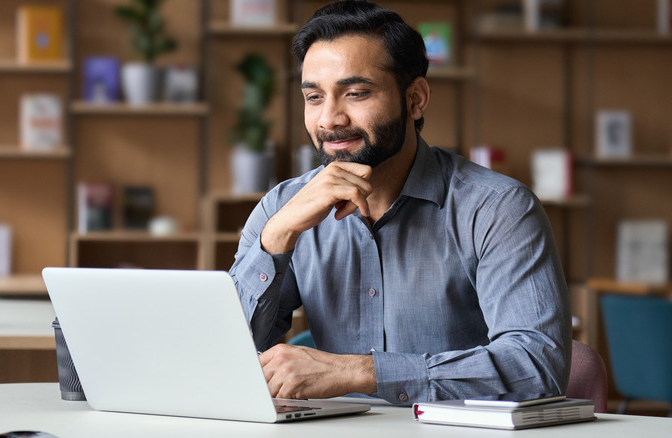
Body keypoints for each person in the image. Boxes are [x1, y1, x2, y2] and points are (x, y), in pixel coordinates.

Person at [229, 0, 571, 405]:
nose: (329, 120)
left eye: (355, 93)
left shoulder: (498, 209)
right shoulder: (281, 208)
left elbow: (537, 366)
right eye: (314, 97)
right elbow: (222, 357)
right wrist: (276, 239)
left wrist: (361, 372)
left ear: (415, 99)